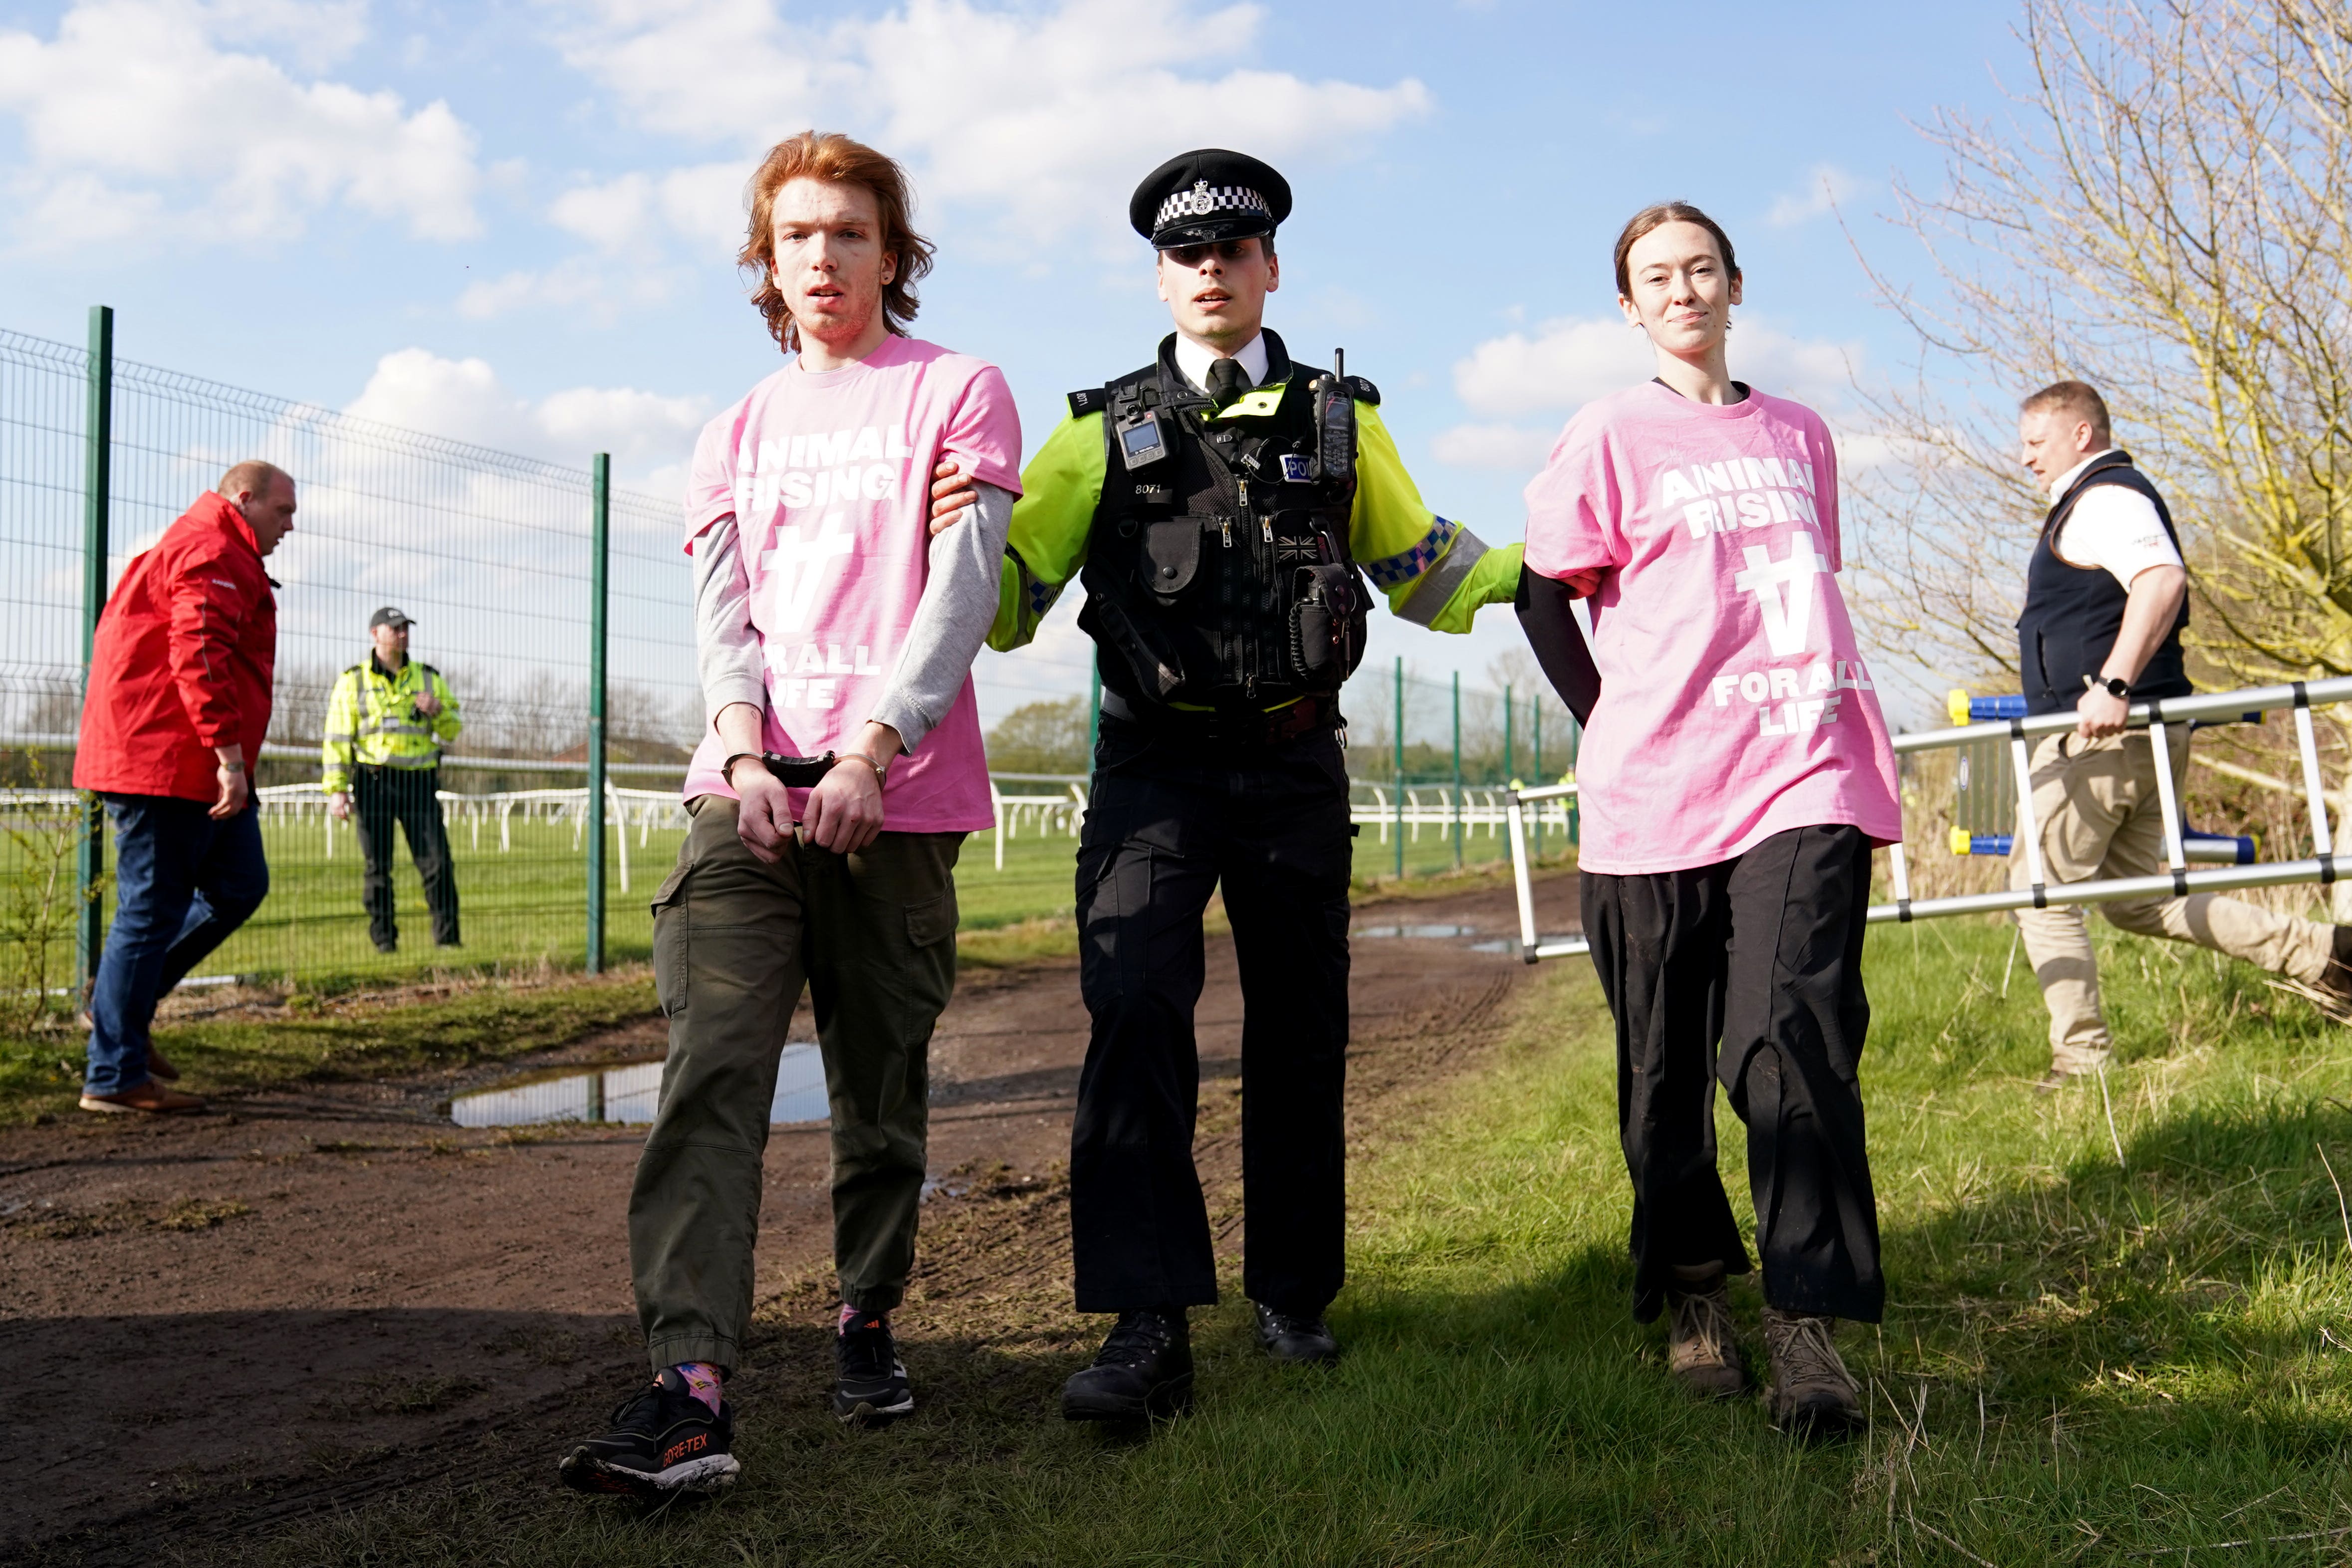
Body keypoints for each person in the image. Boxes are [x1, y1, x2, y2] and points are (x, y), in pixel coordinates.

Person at [977, 149, 1523, 1423]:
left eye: (1233, 250)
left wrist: (1549, 568)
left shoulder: (1345, 420)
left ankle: (1293, 1297)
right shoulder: (1090, 430)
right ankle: (1144, 1319)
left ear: (1270, 268)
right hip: (1151, 769)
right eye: (1186, 256)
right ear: (1161, 279)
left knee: (1299, 1032)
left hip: (1291, 765)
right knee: (1133, 1020)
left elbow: (1424, 572)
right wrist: (943, 534)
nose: (1210, 271)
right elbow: (1007, 607)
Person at [559, 131, 1021, 1501]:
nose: (822, 257)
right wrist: (749, 756)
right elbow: (724, 617)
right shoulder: (731, 434)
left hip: (898, 792)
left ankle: (864, 1307)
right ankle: (688, 1381)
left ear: (895, 254)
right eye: (797, 235)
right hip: (746, 793)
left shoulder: (958, 393)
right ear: (764, 262)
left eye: (850, 233)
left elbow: (963, 586)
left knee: (880, 1078)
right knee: (711, 1064)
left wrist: (875, 750)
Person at [1518, 203, 1902, 1437]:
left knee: (1785, 1041)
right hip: (1655, 796)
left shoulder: (1801, 434)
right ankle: (1692, 1287)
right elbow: (1541, 600)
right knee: (1661, 1071)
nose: (1681, 289)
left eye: (1699, 268)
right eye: (1653, 277)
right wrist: (1608, 716)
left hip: (1804, 766)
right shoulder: (1605, 436)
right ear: (1628, 308)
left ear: (1734, 285)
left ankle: (1807, 1323)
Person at [2008, 380, 2352, 1086]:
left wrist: (2111, 684)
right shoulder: (2096, 499)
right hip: (2137, 732)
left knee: (2037, 889)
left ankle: (2081, 1060)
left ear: (2080, 434)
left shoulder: (2105, 498)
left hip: (2104, 733)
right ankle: (2325, 957)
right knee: (2142, 899)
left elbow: (2161, 580)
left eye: (2034, 443)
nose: (2024, 459)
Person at [72, 461, 296, 1116]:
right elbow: (197, 652)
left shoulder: (208, 546)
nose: (290, 524)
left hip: (189, 759)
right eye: (282, 510)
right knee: (150, 909)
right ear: (245, 500)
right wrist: (229, 756)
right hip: (170, 760)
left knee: (238, 886)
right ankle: (114, 1073)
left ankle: (118, 1008)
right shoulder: (212, 550)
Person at [321, 606, 462, 953]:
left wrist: (438, 711)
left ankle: (448, 940)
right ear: (375, 634)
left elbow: (454, 728)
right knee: (378, 868)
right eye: (395, 628)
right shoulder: (352, 681)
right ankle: (384, 941)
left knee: (438, 863)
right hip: (374, 782)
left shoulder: (429, 678)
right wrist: (337, 789)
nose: (403, 633)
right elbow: (337, 738)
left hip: (419, 783)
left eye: (405, 628)